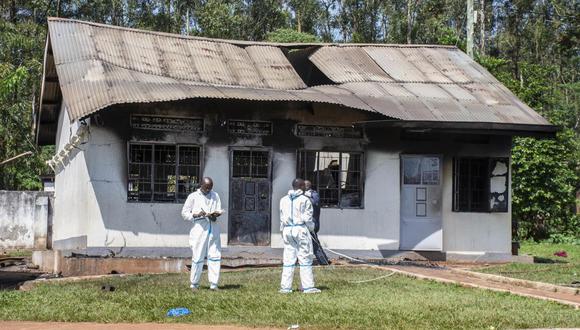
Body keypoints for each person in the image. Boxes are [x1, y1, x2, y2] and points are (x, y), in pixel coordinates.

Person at [181, 177, 224, 291]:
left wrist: (215, 214)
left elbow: (218, 209)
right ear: (201, 186)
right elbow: (184, 213)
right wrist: (195, 215)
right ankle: (194, 283)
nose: (208, 190)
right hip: (199, 230)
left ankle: (214, 284)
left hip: (213, 228)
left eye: (210, 188)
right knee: (198, 256)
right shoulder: (193, 196)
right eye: (206, 188)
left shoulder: (215, 195)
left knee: (215, 255)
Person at [279, 178, 321, 294]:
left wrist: (282, 231)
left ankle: (285, 287)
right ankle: (308, 287)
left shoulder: (283, 200)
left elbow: (282, 218)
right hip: (300, 229)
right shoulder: (305, 200)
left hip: (287, 230)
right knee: (305, 258)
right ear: (302, 186)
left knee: (288, 259)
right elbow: (308, 219)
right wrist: (312, 229)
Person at [304, 180, 330, 265]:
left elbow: (314, 203)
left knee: (315, 244)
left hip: (313, 224)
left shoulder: (314, 194)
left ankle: (324, 261)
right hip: (308, 224)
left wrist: (306, 196)